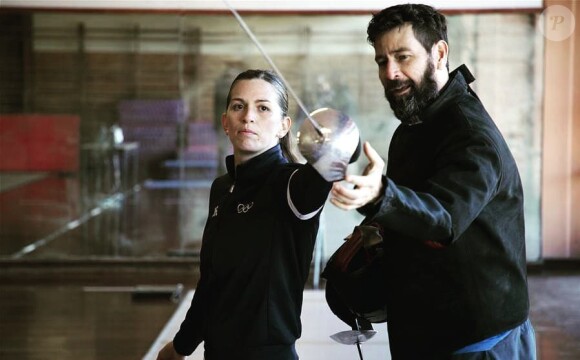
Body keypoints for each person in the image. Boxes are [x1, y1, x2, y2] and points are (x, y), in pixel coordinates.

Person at [328, 4, 536, 359]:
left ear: (439, 53)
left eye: (403, 57)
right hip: (424, 331)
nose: (391, 72)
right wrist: (374, 225)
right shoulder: (415, 125)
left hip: (477, 342)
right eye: (382, 61)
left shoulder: (469, 133)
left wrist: (382, 195)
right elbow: (414, 205)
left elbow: (443, 217)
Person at [157, 69, 355, 360]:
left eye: (263, 108)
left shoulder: (292, 184)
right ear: (226, 122)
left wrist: (333, 142)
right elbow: (212, 283)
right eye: (239, 106)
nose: (248, 116)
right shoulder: (222, 188)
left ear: (284, 126)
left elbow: (321, 175)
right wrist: (181, 346)